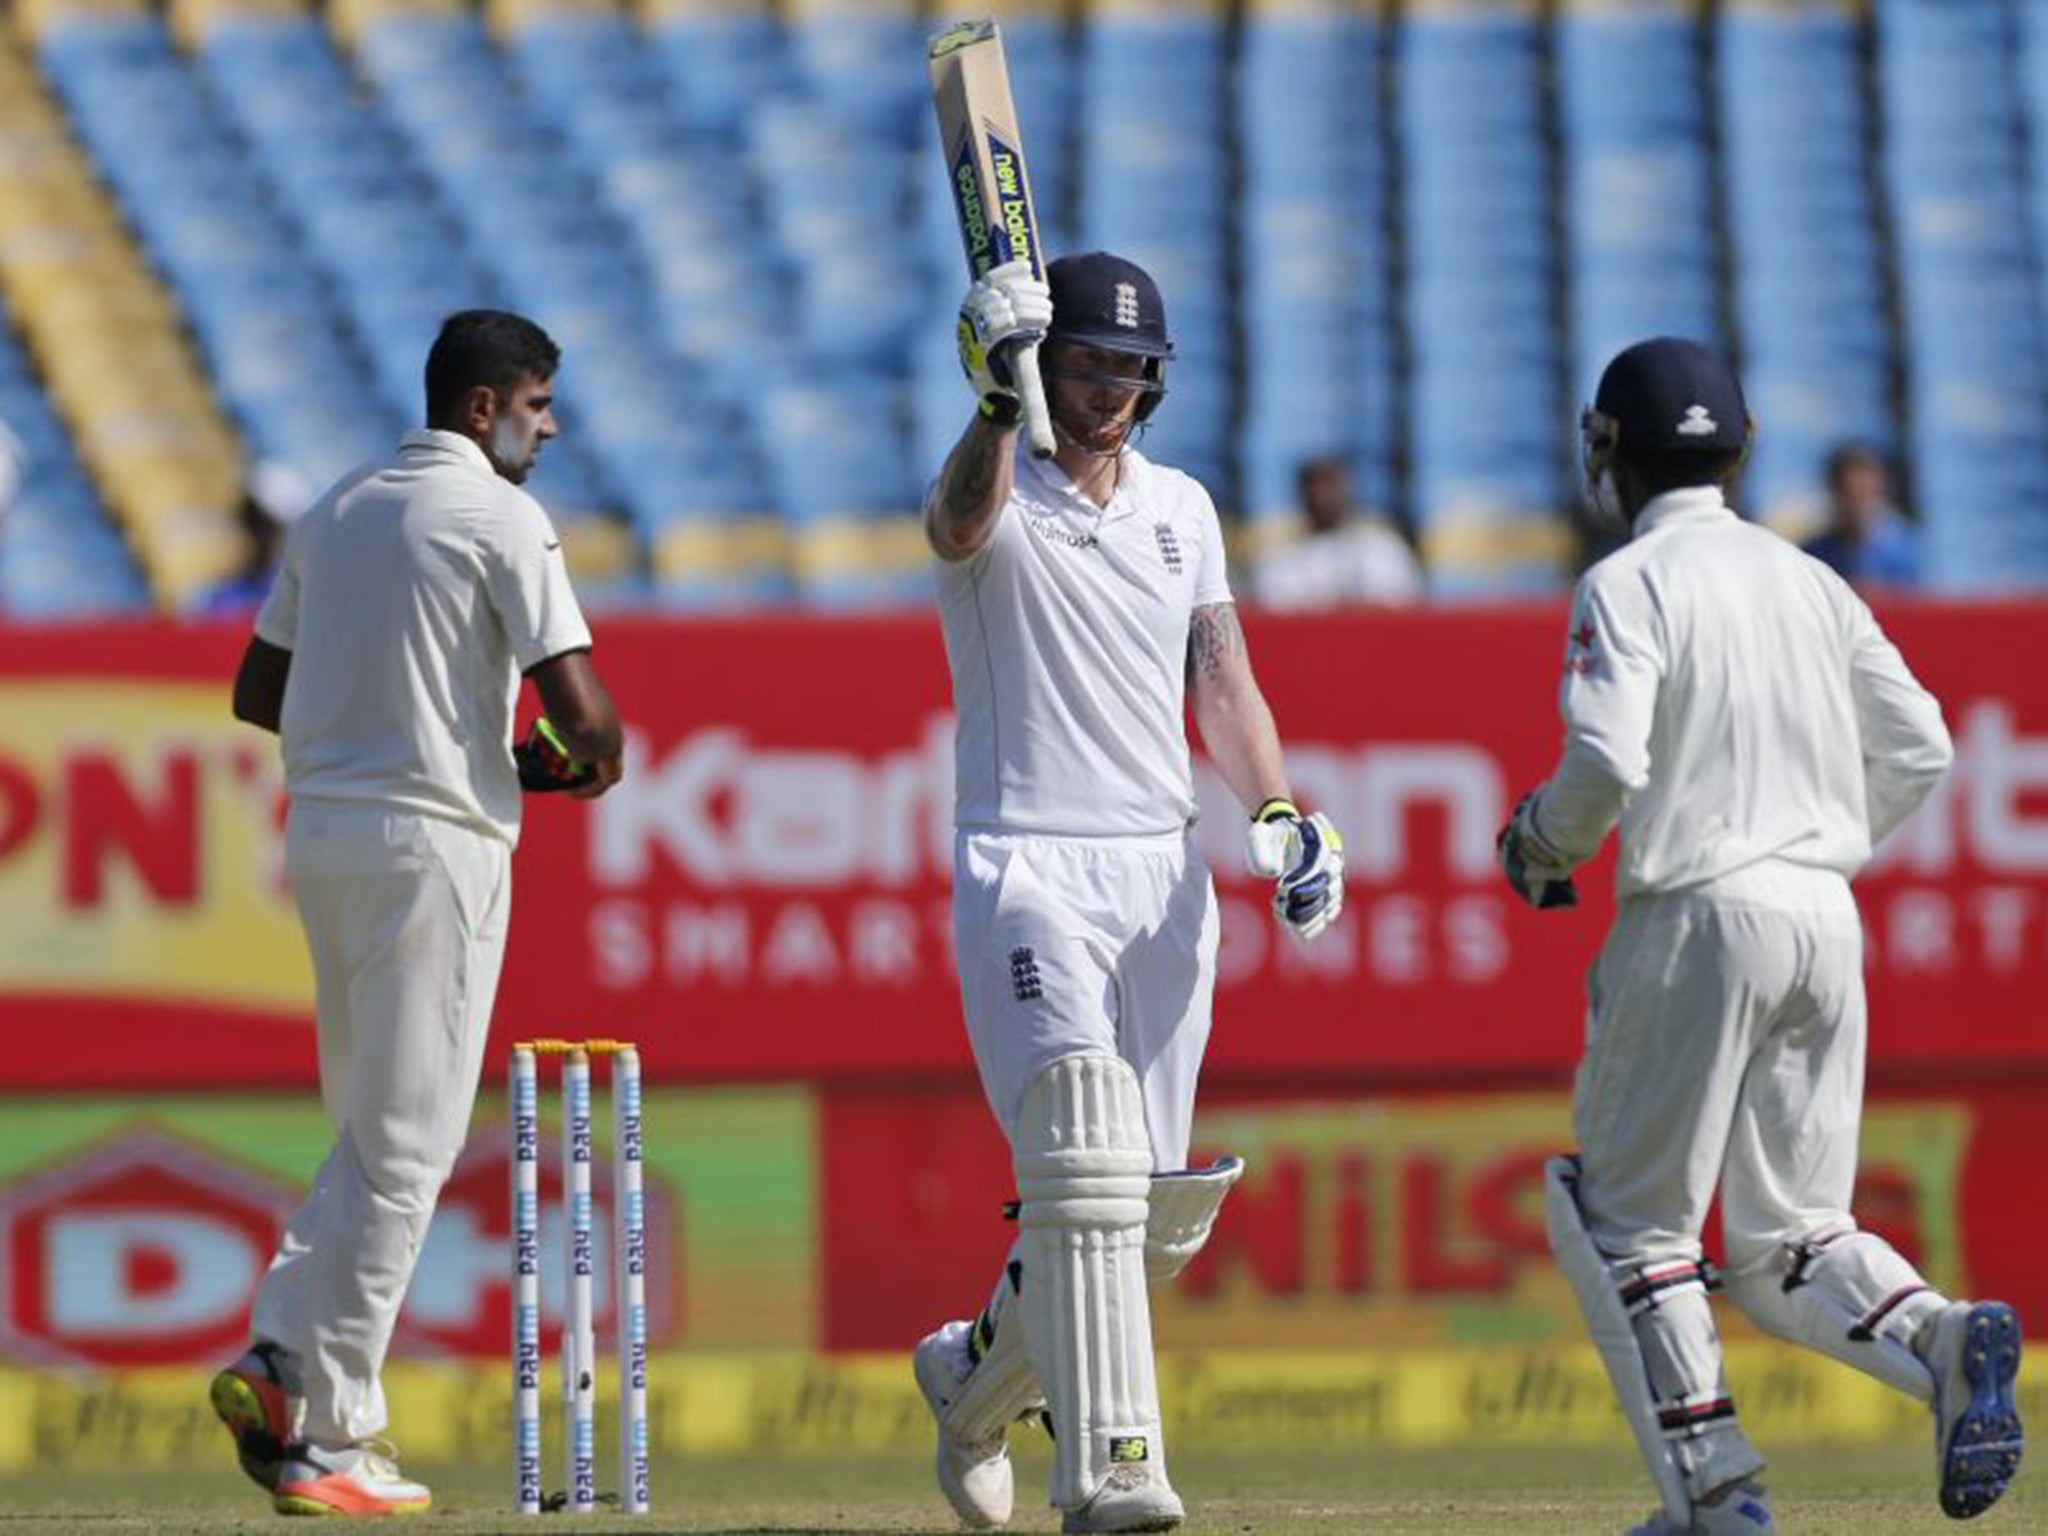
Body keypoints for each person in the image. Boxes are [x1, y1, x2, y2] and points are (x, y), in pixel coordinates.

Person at [1499, 337, 2022, 1536]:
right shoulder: (1809, 580)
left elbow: (1605, 759)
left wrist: (1539, 842)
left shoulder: (1626, 583)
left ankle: (1712, 1496)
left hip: (1694, 912)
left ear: (1607, 452)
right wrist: (1814, 841)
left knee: (1624, 1222)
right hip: (1821, 915)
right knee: (1790, 1244)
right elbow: (1924, 750)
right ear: (1737, 449)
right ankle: (1936, 1341)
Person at [910, 250, 1346, 1536]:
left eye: (1130, 371)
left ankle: (972, 1383)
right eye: (1085, 364)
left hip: (1162, 870)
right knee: (1083, 1145)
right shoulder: (998, 488)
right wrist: (995, 403)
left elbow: (1220, 681)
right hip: (1026, 859)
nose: (1107, 392)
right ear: (1042, 368)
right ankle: (1108, 1474)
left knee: (1149, 1212)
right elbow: (951, 528)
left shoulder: (1183, 511)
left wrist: (1277, 808)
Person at [212, 310, 625, 1516]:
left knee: (373, 1134)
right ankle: (324, 1435)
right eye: (538, 406)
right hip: (433, 846)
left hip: (321, 840)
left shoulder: (338, 507)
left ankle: (284, 1365)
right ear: (486, 407)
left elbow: (257, 692)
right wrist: (553, 765)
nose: (550, 428)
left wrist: (424, 731)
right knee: (409, 1149)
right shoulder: (500, 515)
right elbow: (591, 725)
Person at [1250, 454, 1423, 608]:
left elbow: (1404, 609)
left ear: (1348, 488)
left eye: (1331, 484)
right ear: (1301, 494)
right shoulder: (1281, 561)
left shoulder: (1383, 549)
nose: (1322, 496)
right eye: (1314, 486)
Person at [192, 459, 314, 615]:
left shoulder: (304, 595)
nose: (253, 532)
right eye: (248, 520)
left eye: (262, 523)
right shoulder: (217, 597)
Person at [1801, 443, 1921, 592]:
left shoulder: (1907, 551)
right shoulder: (1815, 554)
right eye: (1849, 494)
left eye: (1867, 494)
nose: (1858, 505)